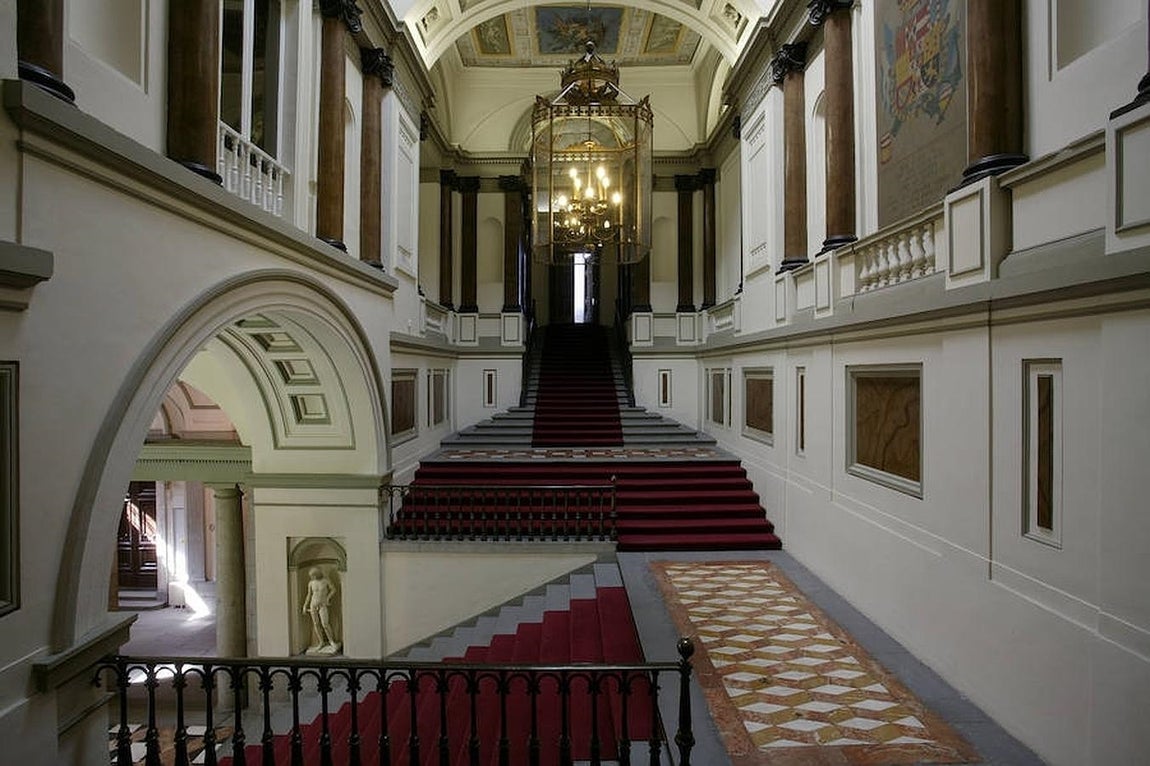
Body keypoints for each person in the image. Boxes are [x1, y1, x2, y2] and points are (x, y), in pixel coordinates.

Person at [302, 567, 339, 653]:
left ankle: (331, 641)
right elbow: (309, 595)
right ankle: (321, 642)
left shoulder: (325, 581)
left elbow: (333, 590)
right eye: (311, 576)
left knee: (325, 623)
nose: (312, 577)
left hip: (322, 604)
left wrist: (328, 598)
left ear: (317, 574)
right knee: (316, 624)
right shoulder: (311, 583)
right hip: (313, 604)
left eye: (313, 575)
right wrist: (305, 606)